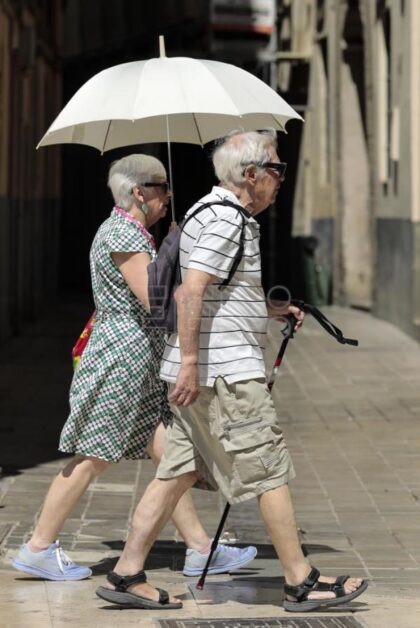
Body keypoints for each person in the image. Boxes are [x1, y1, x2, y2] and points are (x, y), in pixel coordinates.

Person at [95, 131, 368, 613]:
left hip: (205, 369)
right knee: (267, 467)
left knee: (177, 470)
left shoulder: (212, 212)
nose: (281, 179)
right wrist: (193, 366)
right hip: (222, 374)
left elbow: (218, 291)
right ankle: (300, 581)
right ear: (251, 175)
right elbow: (193, 291)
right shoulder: (225, 218)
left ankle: (126, 572)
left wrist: (272, 309)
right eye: (277, 170)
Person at [12, 154, 256, 585]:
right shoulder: (122, 233)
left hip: (138, 356)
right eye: (162, 188)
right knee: (93, 454)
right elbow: (153, 299)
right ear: (139, 192)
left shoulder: (133, 233)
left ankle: (201, 550)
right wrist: (178, 253)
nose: (169, 196)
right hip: (122, 357)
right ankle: (37, 548)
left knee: (170, 453)